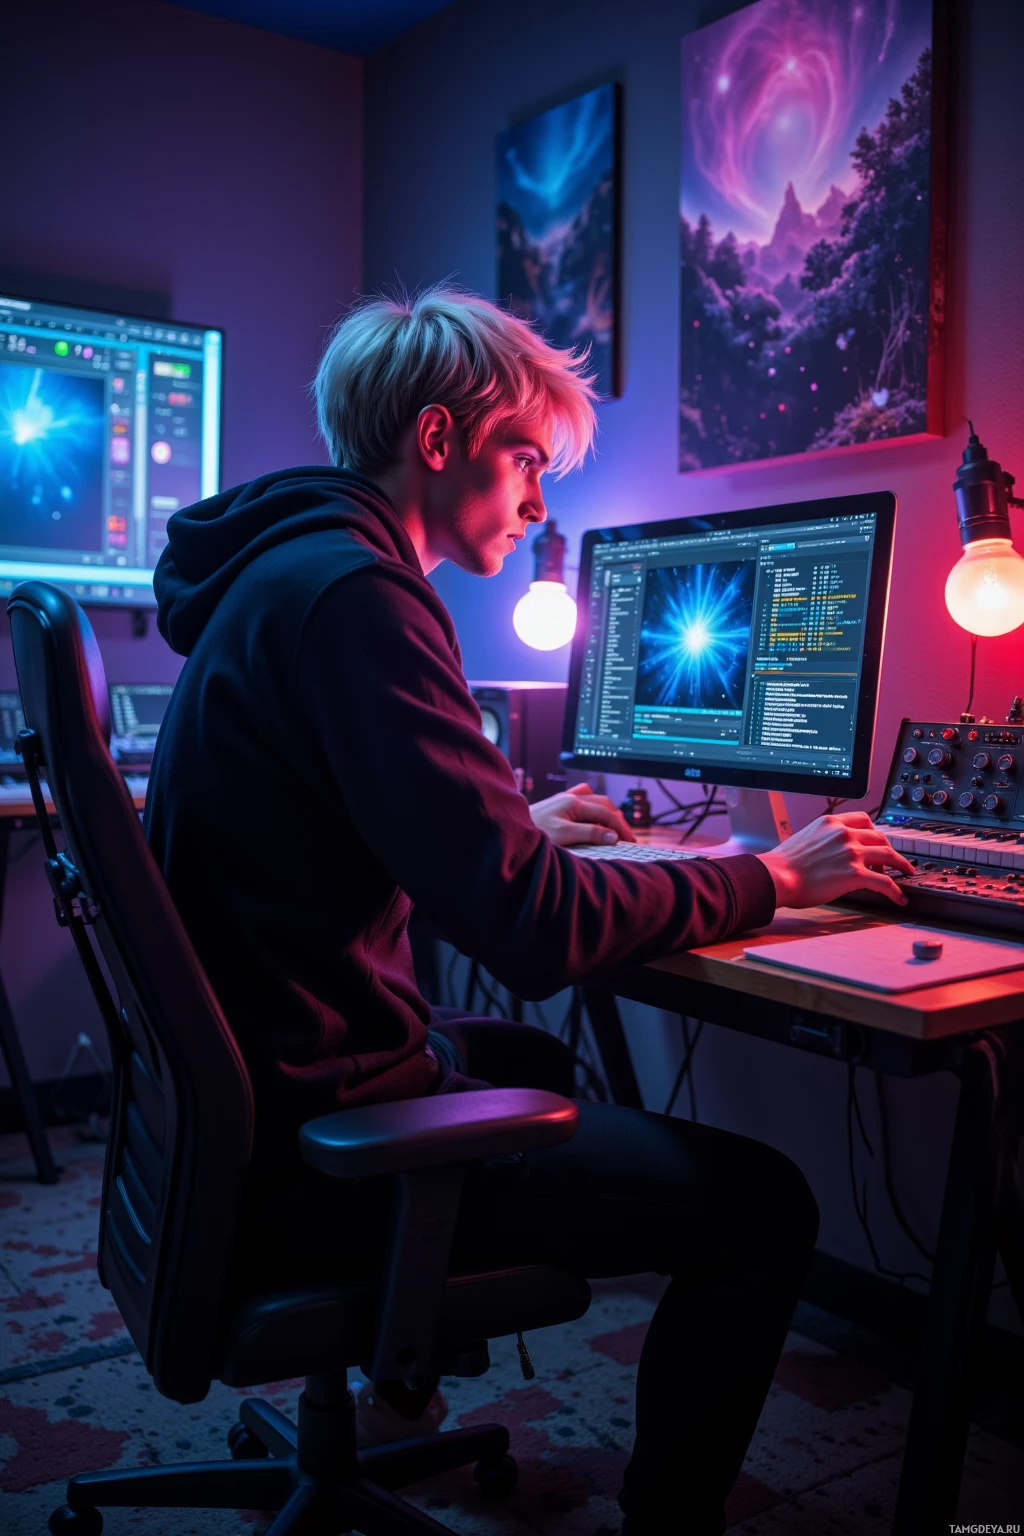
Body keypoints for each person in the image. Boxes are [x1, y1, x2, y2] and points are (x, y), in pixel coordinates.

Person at [144, 285, 911, 1534]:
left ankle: (400, 1394)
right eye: (525, 461)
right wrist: (773, 877)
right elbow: (534, 932)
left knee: (523, 1057)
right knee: (767, 1208)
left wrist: (515, 828)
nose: (540, 503)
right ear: (439, 442)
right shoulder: (362, 600)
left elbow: (328, 832)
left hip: (248, 1097)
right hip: (311, 1142)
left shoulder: (286, 572)